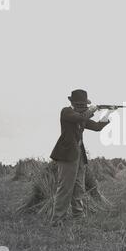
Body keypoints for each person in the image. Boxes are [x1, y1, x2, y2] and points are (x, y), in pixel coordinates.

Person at [49, 89, 114, 226]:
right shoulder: (66, 111)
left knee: (79, 186)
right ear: (73, 103)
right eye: (80, 104)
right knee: (65, 187)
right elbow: (81, 117)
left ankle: (78, 216)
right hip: (67, 155)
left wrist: (108, 112)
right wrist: (92, 109)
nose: (82, 106)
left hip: (78, 154)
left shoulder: (81, 115)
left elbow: (97, 127)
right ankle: (57, 220)